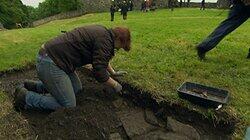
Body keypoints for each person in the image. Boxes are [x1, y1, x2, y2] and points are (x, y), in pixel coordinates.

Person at [13, 25, 131, 111]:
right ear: (118, 39)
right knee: (68, 105)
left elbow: (102, 58)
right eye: (121, 47)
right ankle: (26, 98)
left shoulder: (103, 34)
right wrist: (115, 85)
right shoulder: (105, 41)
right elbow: (99, 71)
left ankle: (36, 86)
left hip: (56, 59)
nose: (119, 49)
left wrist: (113, 72)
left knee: (77, 89)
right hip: (51, 62)